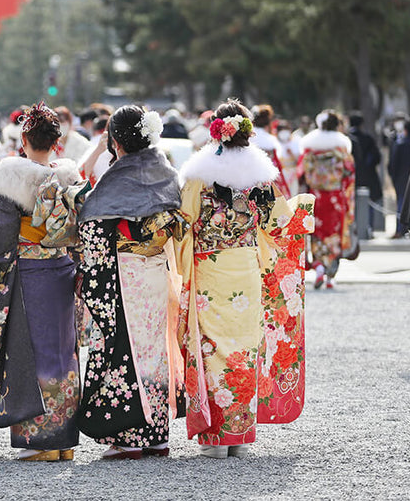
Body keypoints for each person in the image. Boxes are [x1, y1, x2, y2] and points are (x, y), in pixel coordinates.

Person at [173, 99, 293, 459]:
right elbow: (280, 224)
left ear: (216, 129)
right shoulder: (261, 175)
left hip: (211, 269)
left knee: (213, 349)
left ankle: (216, 435)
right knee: (244, 348)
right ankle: (239, 432)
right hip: (246, 268)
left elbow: (183, 222)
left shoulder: (199, 174)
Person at [0, 103, 85, 461]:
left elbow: (2, 234)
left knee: (29, 352)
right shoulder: (70, 178)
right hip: (62, 271)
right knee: (63, 352)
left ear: (23, 138)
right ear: (57, 141)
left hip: (30, 275)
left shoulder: (11, 177)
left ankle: (39, 441)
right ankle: (63, 440)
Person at [75, 105, 184, 460]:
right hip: (155, 270)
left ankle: (129, 434)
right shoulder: (162, 168)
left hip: (124, 272)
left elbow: (92, 223)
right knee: (152, 350)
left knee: (124, 348)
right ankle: (156, 434)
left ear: (116, 141)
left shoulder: (118, 177)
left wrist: (89, 271)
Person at [298, 111, 356, 289]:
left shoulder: (310, 146)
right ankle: (330, 276)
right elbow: (349, 172)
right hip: (335, 197)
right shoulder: (341, 147)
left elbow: (302, 173)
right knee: (334, 234)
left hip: (316, 196)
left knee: (316, 232)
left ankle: (320, 267)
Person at [349, 113, 383, 238]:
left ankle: (354, 229)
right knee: (369, 203)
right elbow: (377, 157)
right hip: (368, 177)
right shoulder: (368, 138)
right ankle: (368, 228)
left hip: (351, 177)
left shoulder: (347, 139)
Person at [252, 105, 291, 198]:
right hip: (268, 180)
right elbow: (277, 165)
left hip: (250, 180)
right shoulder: (270, 141)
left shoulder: (248, 138)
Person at [388, 119, 410, 237]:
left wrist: (393, 177)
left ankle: (400, 229)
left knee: (401, 204)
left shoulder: (400, 144)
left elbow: (393, 163)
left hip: (401, 178)